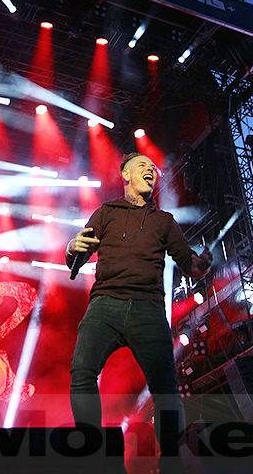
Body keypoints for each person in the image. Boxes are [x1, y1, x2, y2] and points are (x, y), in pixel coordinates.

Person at [66, 152, 212, 466]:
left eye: (153, 168)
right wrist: (71, 248)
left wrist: (200, 265)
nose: (151, 170)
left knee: (166, 389)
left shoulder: (164, 221)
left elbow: (189, 263)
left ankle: (171, 459)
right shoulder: (106, 212)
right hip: (105, 304)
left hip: (148, 309)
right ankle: (91, 451)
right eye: (142, 166)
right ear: (126, 174)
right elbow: (78, 255)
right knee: (82, 373)